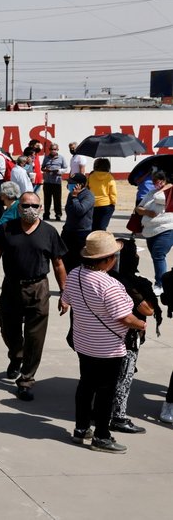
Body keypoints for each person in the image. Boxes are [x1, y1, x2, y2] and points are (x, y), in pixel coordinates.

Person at [62, 231, 144, 454]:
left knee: (86, 385)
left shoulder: (75, 275)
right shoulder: (109, 285)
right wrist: (141, 325)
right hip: (108, 347)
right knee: (105, 392)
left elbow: (66, 300)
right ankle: (101, 436)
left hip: (83, 342)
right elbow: (125, 317)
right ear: (107, 260)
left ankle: (81, 429)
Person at [0, 192, 67, 401]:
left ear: (41, 208)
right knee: (8, 329)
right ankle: (16, 355)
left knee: (35, 338)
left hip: (38, 288)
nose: (30, 209)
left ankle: (26, 379)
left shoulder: (49, 232)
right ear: (18, 207)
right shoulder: (6, 229)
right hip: (11, 287)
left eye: (34, 205)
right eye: (25, 205)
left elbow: (58, 265)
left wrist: (64, 293)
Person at [107, 238, 157, 435]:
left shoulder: (92, 276)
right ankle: (118, 417)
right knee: (123, 378)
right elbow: (147, 310)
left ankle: (97, 411)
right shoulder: (129, 283)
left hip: (98, 338)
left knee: (101, 377)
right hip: (125, 338)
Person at [135, 170, 173, 290]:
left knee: (158, 255)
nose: (156, 184)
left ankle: (160, 284)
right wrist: (146, 211)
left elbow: (159, 198)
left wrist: (167, 186)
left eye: (158, 181)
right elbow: (138, 208)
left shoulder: (169, 192)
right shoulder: (151, 192)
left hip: (165, 229)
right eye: (154, 182)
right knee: (156, 257)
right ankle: (162, 281)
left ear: (165, 180)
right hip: (149, 230)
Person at [88, 158, 118, 232]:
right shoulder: (110, 177)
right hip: (106, 204)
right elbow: (113, 193)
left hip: (93, 204)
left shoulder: (91, 176)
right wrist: (113, 203)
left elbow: (87, 188)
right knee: (102, 227)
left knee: (93, 226)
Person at [41, 143, 67, 221]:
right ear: (49, 150)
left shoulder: (61, 158)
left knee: (57, 199)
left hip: (57, 182)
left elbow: (65, 168)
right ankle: (46, 214)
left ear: (57, 150)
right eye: (52, 149)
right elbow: (42, 167)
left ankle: (58, 214)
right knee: (47, 199)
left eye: (55, 149)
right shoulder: (46, 158)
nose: (53, 151)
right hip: (47, 181)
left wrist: (58, 171)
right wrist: (45, 170)